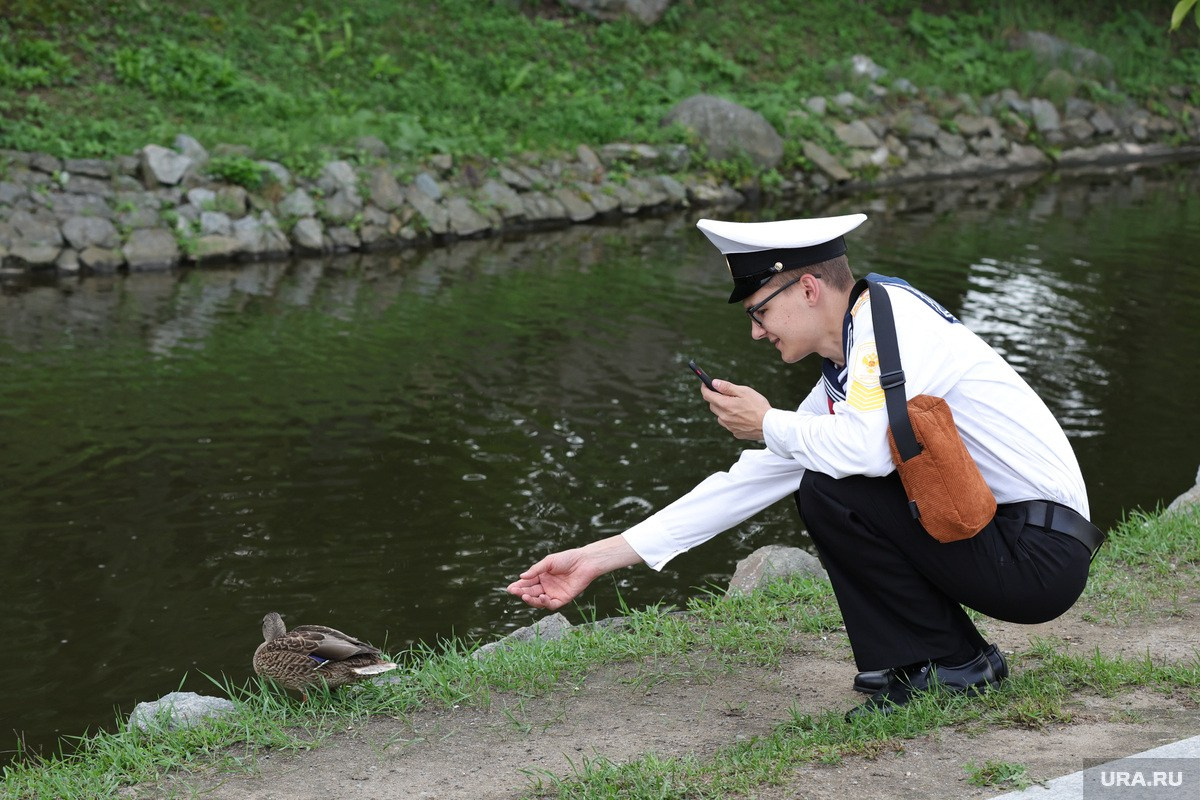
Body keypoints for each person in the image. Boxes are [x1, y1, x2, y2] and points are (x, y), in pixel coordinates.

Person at [506, 212, 1104, 717]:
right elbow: (757, 476)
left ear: (808, 289)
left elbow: (865, 450)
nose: (754, 333)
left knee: (832, 485)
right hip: (1009, 538)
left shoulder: (889, 328)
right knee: (817, 474)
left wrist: (768, 420)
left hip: (1039, 557)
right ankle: (930, 659)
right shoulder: (853, 353)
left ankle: (953, 663)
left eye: (758, 311)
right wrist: (598, 557)